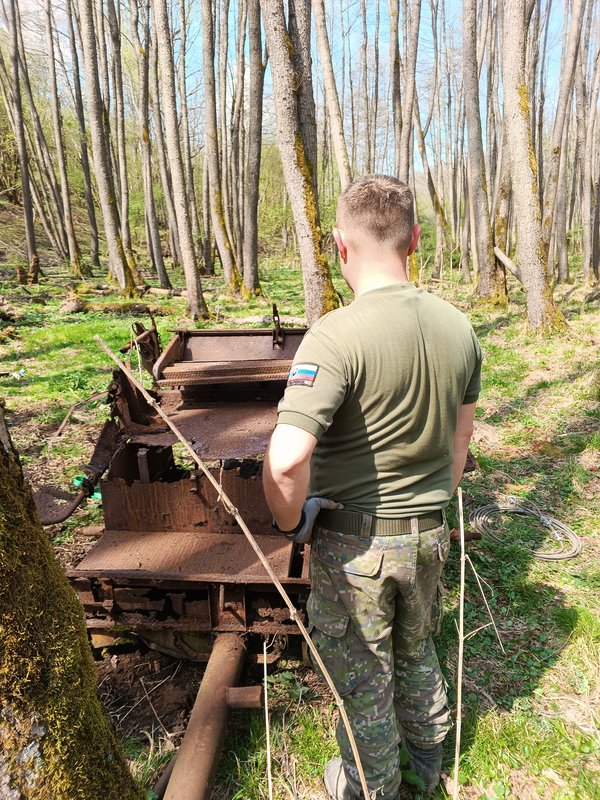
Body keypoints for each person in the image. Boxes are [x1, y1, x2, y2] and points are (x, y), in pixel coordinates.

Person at [263, 175, 481, 799]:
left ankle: (369, 784)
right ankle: (428, 765)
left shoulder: (335, 336)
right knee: (417, 652)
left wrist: (287, 523)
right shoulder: (460, 330)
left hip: (353, 550)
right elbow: (459, 449)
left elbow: (284, 461)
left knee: (363, 676)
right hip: (431, 534)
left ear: (339, 247)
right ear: (415, 238)